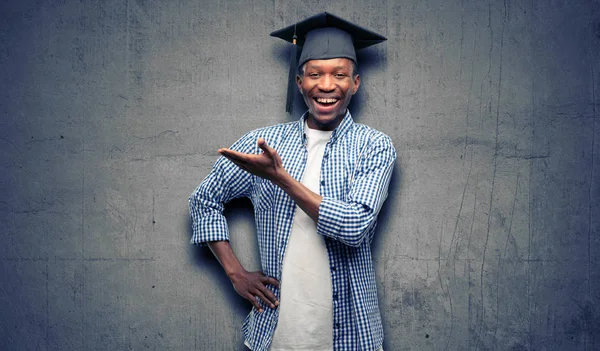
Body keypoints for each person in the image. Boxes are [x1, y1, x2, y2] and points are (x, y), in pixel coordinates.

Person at [189, 12, 396, 351]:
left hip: (351, 333)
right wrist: (235, 273)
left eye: (339, 75)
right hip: (277, 332)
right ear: (300, 82)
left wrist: (281, 179)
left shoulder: (373, 146)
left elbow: (355, 226)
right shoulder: (264, 142)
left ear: (355, 83)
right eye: (315, 74)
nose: (326, 85)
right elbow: (204, 200)